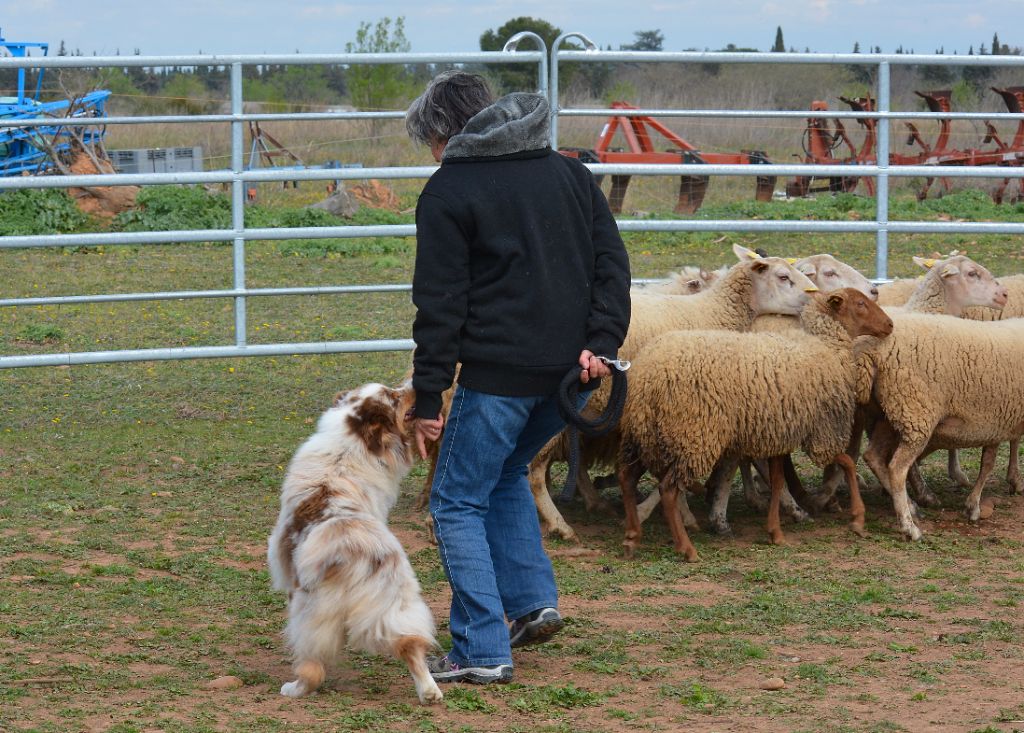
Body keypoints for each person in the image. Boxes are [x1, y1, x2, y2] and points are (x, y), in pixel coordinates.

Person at [404, 71, 631, 685]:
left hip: (499, 377)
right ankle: (532, 602)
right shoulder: (570, 175)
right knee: (505, 472)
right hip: (570, 379)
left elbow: (440, 304)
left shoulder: (450, 191)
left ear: (445, 133)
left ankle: (480, 648)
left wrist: (428, 396)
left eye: (429, 141)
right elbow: (612, 265)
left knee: (455, 501)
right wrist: (602, 344)